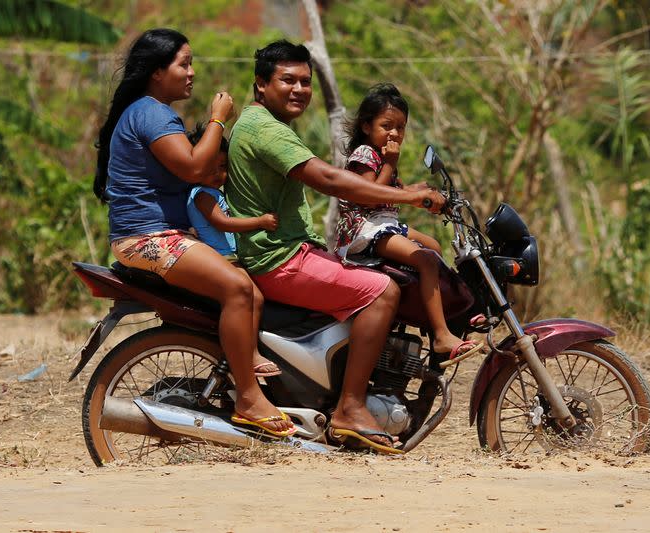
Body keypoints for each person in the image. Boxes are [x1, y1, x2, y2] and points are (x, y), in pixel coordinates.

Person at [225, 40, 445, 453]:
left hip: (290, 250)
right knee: (384, 291)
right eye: (287, 80)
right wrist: (408, 197)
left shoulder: (270, 125)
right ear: (260, 85)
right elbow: (328, 180)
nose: (299, 89)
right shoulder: (264, 129)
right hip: (280, 258)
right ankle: (350, 406)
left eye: (305, 81)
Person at [94, 28, 294, 437]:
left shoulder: (150, 111)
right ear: (155, 72)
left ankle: (247, 359)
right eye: (183, 64)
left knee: (250, 290)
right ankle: (249, 398)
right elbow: (196, 168)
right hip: (146, 238)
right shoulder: (151, 112)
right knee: (237, 289)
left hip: (160, 234)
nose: (192, 72)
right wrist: (219, 117)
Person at [336, 83, 479, 360]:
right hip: (364, 229)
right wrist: (390, 164)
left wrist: (421, 191)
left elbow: (394, 190)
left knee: (434, 247)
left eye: (400, 128)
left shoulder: (381, 155)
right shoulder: (365, 154)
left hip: (383, 223)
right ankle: (440, 334)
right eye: (386, 125)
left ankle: (427, 312)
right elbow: (369, 197)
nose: (394, 133)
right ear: (367, 126)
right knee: (425, 259)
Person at [184, 125, 281, 377]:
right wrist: (260, 222)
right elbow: (222, 223)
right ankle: (249, 354)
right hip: (222, 257)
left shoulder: (213, 192)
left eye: (223, 167)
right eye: (211, 168)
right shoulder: (202, 195)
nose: (219, 174)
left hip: (229, 256)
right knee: (254, 298)